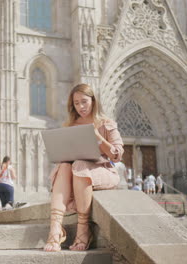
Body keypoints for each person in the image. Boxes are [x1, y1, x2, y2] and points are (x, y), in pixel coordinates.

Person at [44, 83, 124, 252]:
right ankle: (55, 228)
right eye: (76, 103)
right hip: (76, 172)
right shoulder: (70, 126)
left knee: (79, 165)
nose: (80, 106)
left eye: (84, 101)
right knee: (65, 166)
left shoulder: (106, 123)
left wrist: (96, 136)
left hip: (103, 170)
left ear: (93, 101)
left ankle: (83, 229)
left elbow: (117, 155)